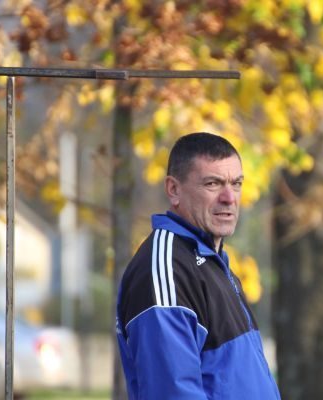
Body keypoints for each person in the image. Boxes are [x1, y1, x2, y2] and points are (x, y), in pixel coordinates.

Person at [116, 132, 281, 399]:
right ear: (174, 189)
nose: (229, 198)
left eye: (236, 184)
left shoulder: (213, 263)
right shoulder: (167, 268)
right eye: (213, 184)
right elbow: (172, 393)